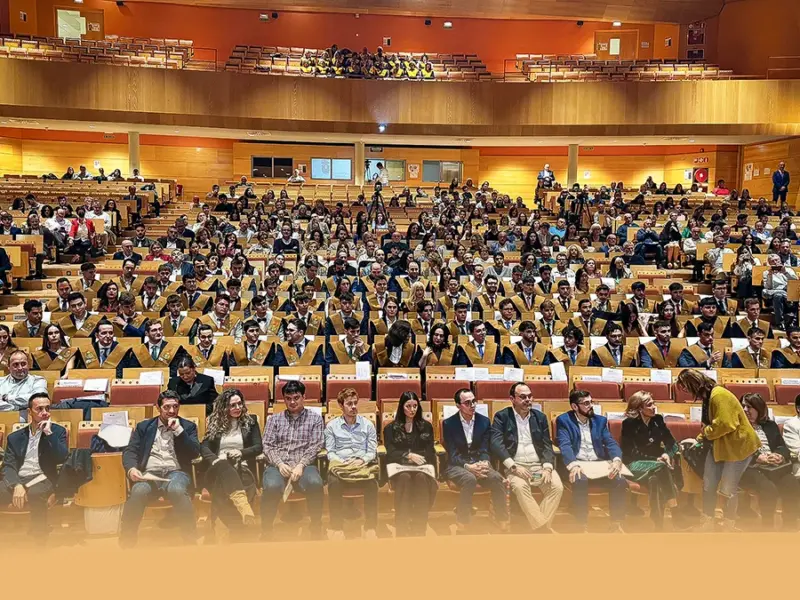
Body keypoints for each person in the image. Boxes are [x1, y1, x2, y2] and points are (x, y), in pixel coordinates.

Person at [675, 369, 760, 532]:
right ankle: (707, 522)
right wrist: (700, 439)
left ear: (693, 384)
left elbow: (726, 424)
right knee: (708, 484)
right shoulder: (707, 398)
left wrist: (706, 432)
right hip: (719, 447)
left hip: (738, 448)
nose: (685, 392)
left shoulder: (718, 394)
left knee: (728, 488)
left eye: (685, 388)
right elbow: (708, 425)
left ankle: (729, 524)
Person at [120, 390, 204, 547]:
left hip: (176, 472)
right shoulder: (144, 427)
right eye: (167, 407)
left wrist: (179, 431)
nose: (172, 411)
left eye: (175, 406)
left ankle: (190, 540)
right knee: (138, 491)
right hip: (150, 473)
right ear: (158, 408)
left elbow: (194, 452)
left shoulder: (188, 427)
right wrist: (131, 469)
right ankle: (127, 542)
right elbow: (130, 450)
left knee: (176, 489)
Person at [489, 383, 563, 533]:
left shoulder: (540, 417)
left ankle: (539, 527)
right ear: (512, 399)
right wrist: (513, 467)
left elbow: (547, 444)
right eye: (523, 397)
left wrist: (548, 467)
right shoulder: (502, 417)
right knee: (521, 487)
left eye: (530, 396)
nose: (528, 400)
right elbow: (496, 444)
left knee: (556, 487)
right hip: (516, 467)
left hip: (538, 468)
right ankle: (543, 529)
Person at [261, 380, 325, 541]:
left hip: (304, 465)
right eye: (288, 398)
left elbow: (316, 445)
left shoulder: (315, 419)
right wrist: (279, 463)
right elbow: (267, 445)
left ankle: (316, 526)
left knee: (315, 483)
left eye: (296, 397)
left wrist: (301, 465)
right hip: (278, 464)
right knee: (271, 486)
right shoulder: (274, 420)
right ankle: (266, 529)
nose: (292, 402)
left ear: (304, 397)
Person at [556, 390, 627, 532]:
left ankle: (616, 523)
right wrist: (573, 465)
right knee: (579, 479)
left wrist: (616, 460)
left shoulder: (600, 421)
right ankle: (581, 524)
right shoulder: (564, 420)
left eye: (591, 402)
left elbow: (610, 442)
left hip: (597, 464)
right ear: (575, 406)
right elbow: (565, 445)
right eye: (586, 403)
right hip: (577, 463)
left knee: (620, 480)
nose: (591, 405)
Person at [0, 393, 67, 539]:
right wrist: (16, 485)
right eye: (40, 409)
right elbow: (8, 465)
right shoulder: (15, 437)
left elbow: (61, 457)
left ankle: (39, 538)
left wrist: (49, 434)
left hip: (43, 477)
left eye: (47, 409)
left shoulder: (57, 432)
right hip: (20, 477)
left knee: (36, 494)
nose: (45, 413)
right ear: (29, 412)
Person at [442, 388, 508, 533]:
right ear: (458, 406)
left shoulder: (484, 421)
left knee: (497, 478)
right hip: (457, 464)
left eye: (474, 401)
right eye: (467, 403)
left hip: (479, 463)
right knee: (469, 479)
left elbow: (485, 449)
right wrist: (468, 466)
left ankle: (501, 518)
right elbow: (453, 454)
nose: (472, 405)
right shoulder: (449, 424)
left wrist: (484, 462)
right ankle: (462, 519)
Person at [621, 392, 688, 530]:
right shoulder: (629, 424)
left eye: (654, 403)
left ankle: (658, 524)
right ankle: (675, 513)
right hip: (634, 464)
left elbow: (671, 443)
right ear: (639, 408)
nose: (654, 407)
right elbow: (630, 452)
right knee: (661, 468)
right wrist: (656, 459)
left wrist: (667, 454)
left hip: (657, 466)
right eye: (649, 405)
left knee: (655, 480)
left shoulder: (657, 420)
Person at [201, 388, 262, 538]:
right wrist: (216, 460)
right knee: (223, 466)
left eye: (240, 404)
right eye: (232, 405)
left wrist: (241, 453)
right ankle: (244, 510)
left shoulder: (251, 421)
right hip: (217, 467)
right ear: (224, 407)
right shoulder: (214, 423)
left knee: (228, 483)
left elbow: (258, 446)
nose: (237, 408)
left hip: (242, 465)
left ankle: (227, 528)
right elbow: (204, 447)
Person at [324, 387, 380, 540]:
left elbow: (372, 450)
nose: (354, 406)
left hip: (362, 463)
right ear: (341, 406)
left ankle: (370, 526)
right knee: (333, 482)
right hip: (341, 464)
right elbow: (331, 452)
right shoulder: (331, 426)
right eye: (349, 404)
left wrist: (361, 460)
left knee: (372, 484)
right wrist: (345, 463)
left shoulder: (368, 425)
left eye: (355, 403)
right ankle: (336, 527)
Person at [738, 393, 798, 530]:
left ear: (759, 409)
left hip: (773, 466)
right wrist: (757, 457)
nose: (745, 410)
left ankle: (790, 526)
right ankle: (767, 526)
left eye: (749, 407)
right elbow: (736, 450)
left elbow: (782, 446)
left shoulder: (770, 425)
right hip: (750, 466)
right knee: (768, 488)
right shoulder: (738, 427)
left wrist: (779, 455)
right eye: (743, 407)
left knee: (792, 483)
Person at [384, 391, 437, 537]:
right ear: (402, 407)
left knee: (420, 477)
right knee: (405, 477)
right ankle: (401, 524)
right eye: (408, 406)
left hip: (421, 466)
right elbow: (390, 452)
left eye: (415, 406)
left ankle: (419, 525)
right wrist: (408, 456)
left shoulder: (426, 426)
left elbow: (429, 451)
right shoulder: (390, 428)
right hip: (400, 467)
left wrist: (419, 458)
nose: (412, 409)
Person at [0, 350, 48, 416]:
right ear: (8, 367)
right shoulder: (0, 382)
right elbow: (30, 400)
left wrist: (7, 398)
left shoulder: (38, 380)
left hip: (29, 419)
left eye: (23, 364)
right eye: (15, 365)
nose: (20, 368)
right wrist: (14, 408)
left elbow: (38, 400)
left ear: (28, 365)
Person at [762, 253, 797, 330]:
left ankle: (780, 322)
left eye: (776, 260)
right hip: (773, 293)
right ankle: (781, 321)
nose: (775, 262)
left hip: (788, 292)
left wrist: (785, 272)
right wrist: (770, 275)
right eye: (772, 261)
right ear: (769, 263)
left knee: (779, 295)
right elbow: (768, 287)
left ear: (780, 260)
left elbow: (795, 282)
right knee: (772, 293)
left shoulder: (788, 270)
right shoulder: (766, 273)